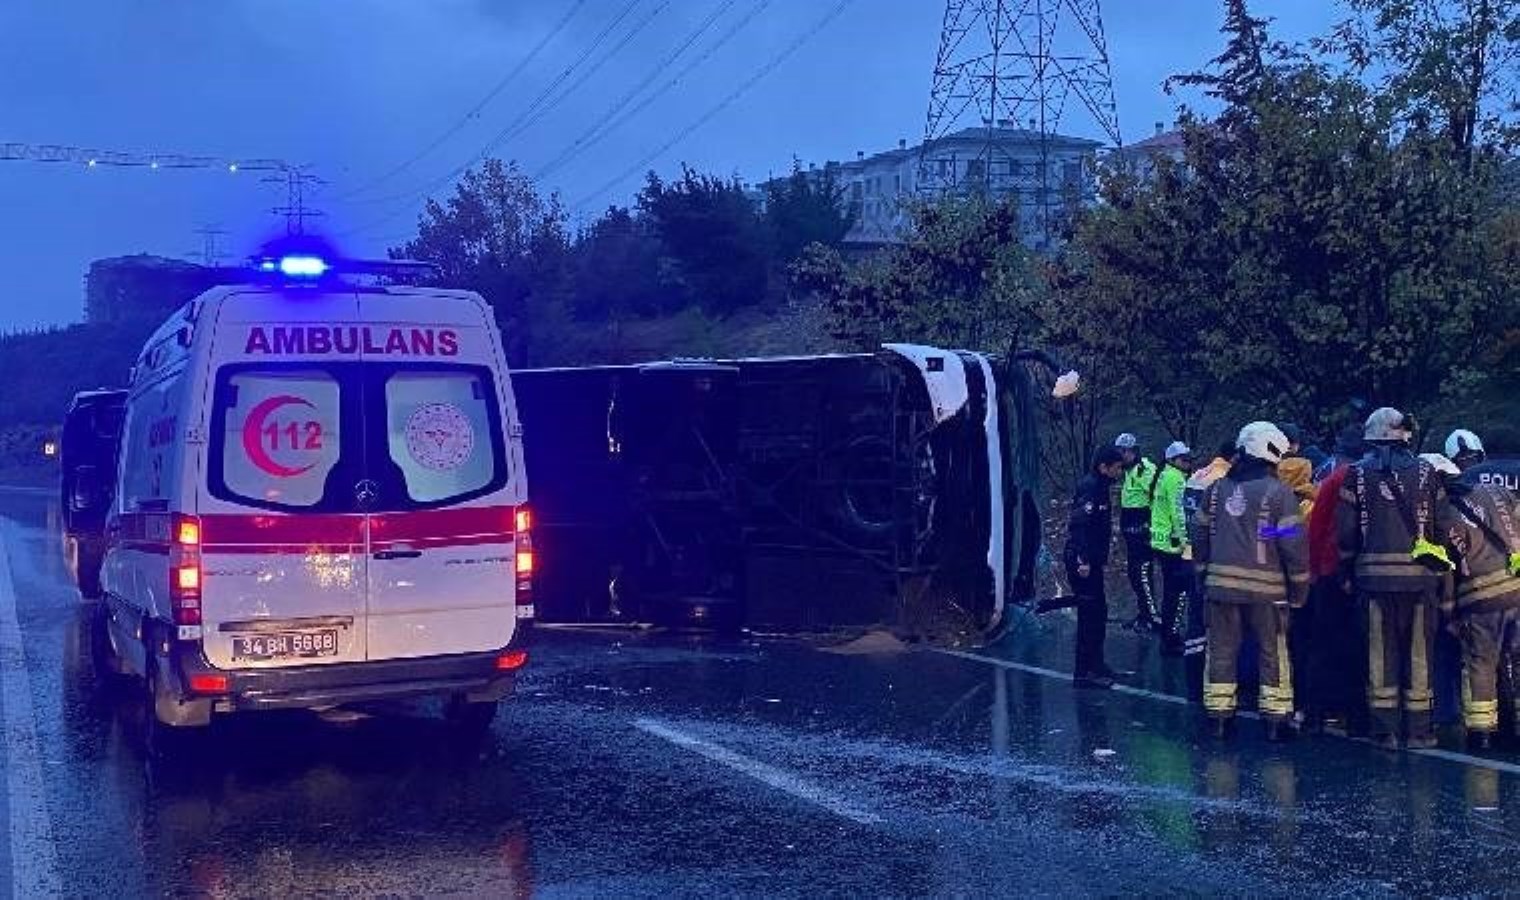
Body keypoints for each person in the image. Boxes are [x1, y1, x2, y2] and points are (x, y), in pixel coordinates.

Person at [1336, 407, 1449, 750]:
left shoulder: (1354, 475)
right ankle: (1420, 731)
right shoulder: (1428, 472)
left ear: (1371, 438)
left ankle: (1384, 730)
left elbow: (1345, 532)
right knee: (1419, 653)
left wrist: (1346, 570)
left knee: (1379, 654)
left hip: (1373, 581)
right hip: (1420, 579)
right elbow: (1442, 524)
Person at [1192, 422, 1309, 742]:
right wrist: (1299, 590)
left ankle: (1218, 718)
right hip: (1268, 592)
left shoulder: (1215, 490)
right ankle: (1275, 721)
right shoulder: (1279, 493)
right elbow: (1293, 543)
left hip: (1220, 588)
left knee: (1220, 651)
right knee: (1274, 653)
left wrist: (1203, 575)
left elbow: (1200, 536)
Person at [1426, 452, 1520, 751]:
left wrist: (1449, 611)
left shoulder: (1444, 513)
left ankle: (1482, 734)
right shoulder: (1498, 492)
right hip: (1517, 588)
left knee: (1481, 664)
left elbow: (1447, 567)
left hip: (1479, 598)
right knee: (1517, 660)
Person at [1304, 426, 1366, 735]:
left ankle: (1317, 710)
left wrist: (1314, 570)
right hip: (1362, 572)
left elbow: (1313, 529)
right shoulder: (1370, 479)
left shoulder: (1330, 482)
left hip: (1329, 572)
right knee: (1357, 644)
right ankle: (1356, 713)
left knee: (1324, 643)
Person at [1065, 446, 1129, 689]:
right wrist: (1082, 558)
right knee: (1089, 615)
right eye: (1117, 467)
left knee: (1099, 612)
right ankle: (1083, 672)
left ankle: (1097, 664)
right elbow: (1079, 524)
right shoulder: (1091, 487)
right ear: (1104, 467)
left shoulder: (1101, 487)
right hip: (1082, 562)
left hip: (1092, 561)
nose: (1120, 472)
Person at [1181, 442, 1239, 701]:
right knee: (1212, 624)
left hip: (1189, 554)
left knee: (1194, 623)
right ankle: (1212, 687)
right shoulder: (1223, 480)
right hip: (1212, 558)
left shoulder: (1198, 474)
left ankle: (1192, 681)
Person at [1151, 440, 1194, 655]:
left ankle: (1168, 636)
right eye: (1183, 459)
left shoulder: (1163, 475)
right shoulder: (1175, 479)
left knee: (1170, 592)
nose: (1187, 462)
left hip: (1160, 541)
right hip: (1172, 544)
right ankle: (1172, 638)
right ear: (1172, 459)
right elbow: (1179, 512)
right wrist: (1186, 540)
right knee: (1178, 594)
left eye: (1188, 458)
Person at [1116, 433, 1161, 632]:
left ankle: (1151, 617)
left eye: (1124, 452)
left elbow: (1158, 499)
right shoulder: (1128, 471)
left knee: (1142, 574)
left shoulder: (1145, 470)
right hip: (1130, 528)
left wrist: (1151, 527)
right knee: (1135, 575)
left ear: (1133, 451)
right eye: (1119, 452)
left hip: (1142, 528)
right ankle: (1143, 614)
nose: (1121, 456)